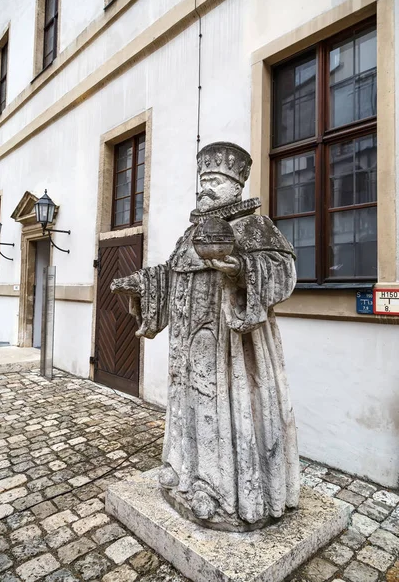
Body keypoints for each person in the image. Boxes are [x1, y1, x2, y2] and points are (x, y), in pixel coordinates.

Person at [111, 141, 300, 531]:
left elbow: (282, 272)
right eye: (202, 180)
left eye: (214, 179)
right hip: (188, 350)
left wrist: (240, 267)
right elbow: (171, 273)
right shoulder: (190, 234)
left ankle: (223, 493)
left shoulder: (252, 226)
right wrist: (144, 285)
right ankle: (184, 475)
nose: (205, 187)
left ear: (236, 185)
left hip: (229, 351)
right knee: (187, 411)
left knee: (224, 416)